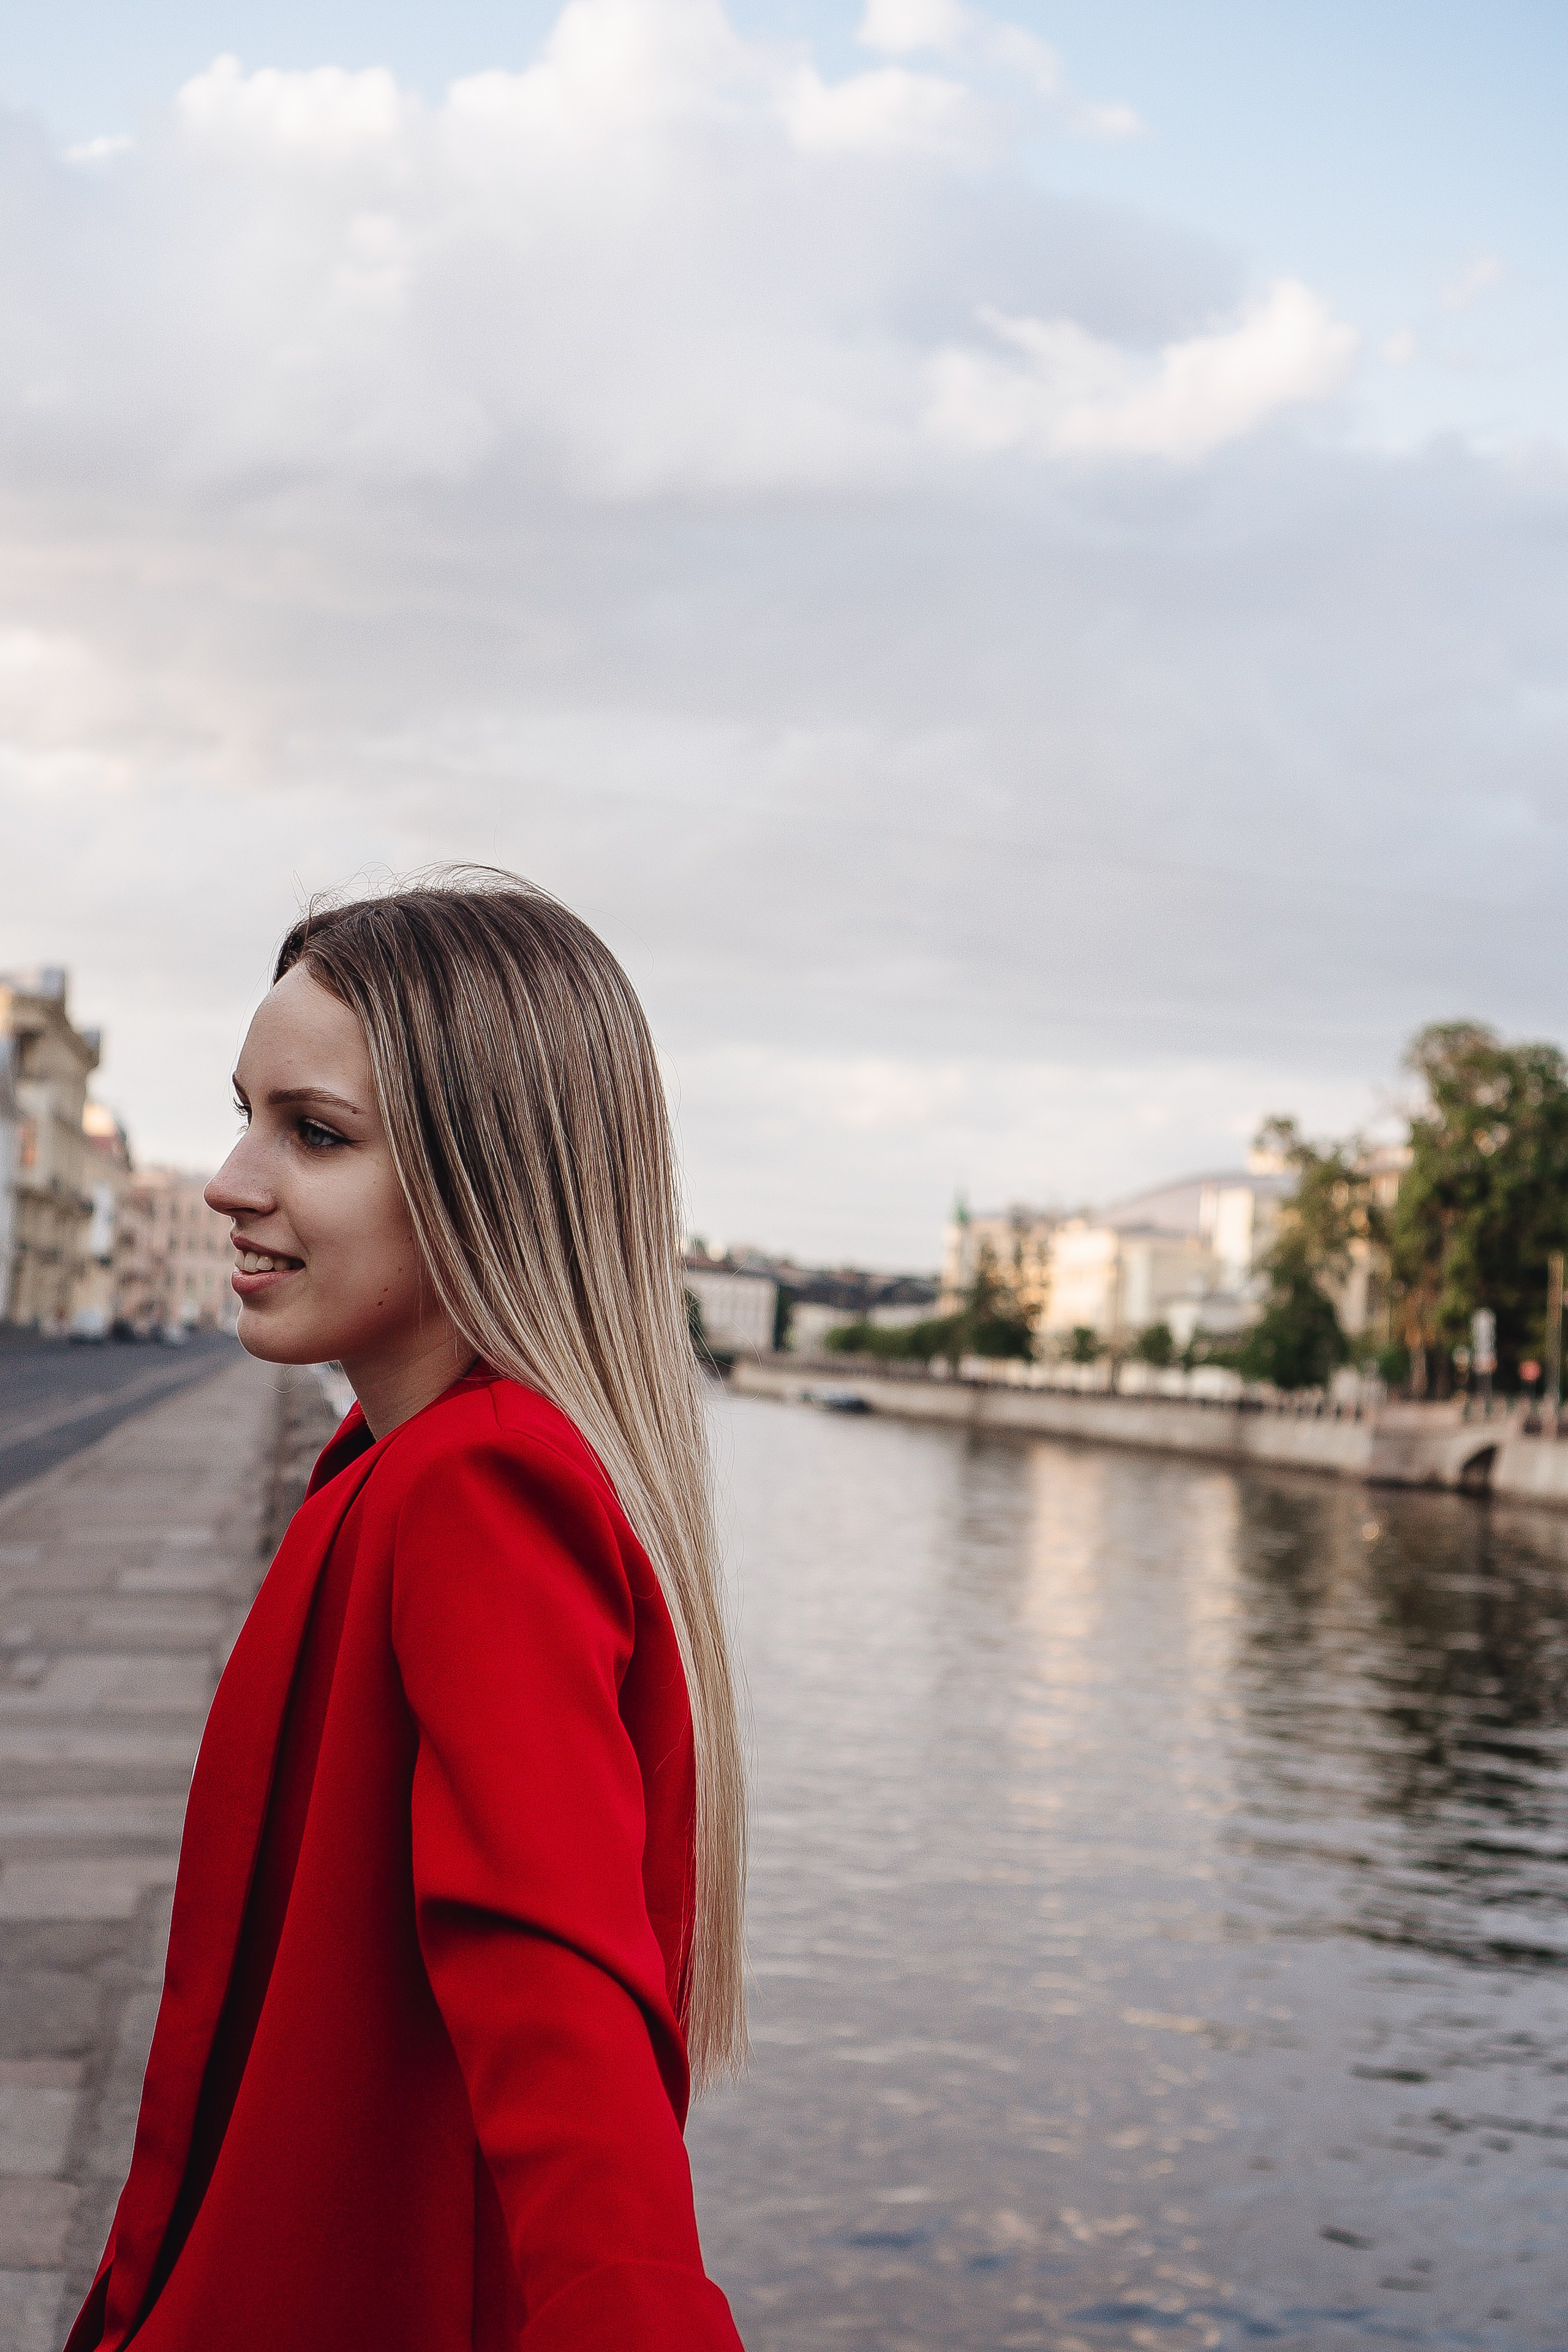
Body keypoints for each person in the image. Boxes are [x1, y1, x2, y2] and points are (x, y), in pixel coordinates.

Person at [64, 872, 748, 2351]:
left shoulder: (481, 1489)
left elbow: (547, 1973)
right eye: (246, 1113)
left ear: (484, 1177)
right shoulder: (410, 1463)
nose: (231, 1182)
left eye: (313, 1134)